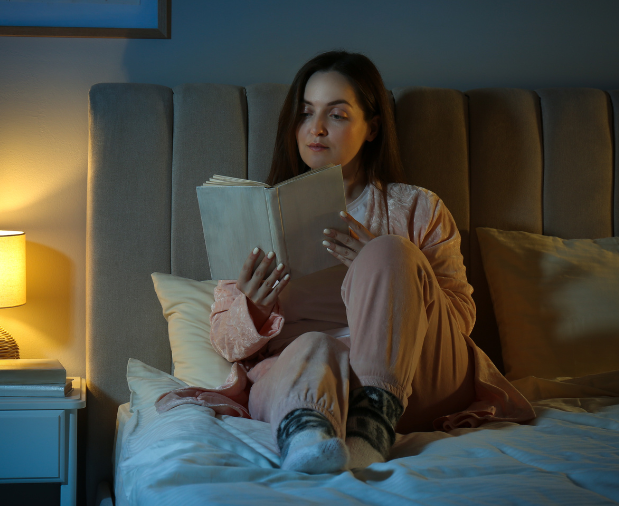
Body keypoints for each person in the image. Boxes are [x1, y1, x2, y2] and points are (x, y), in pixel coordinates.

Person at [158, 50, 534, 474]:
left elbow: (461, 321)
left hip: (415, 381)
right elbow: (227, 344)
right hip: (305, 376)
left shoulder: (417, 208)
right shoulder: (260, 214)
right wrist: (255, 306)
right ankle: (307, 434)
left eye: (336, 115)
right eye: (305, 113)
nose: (316, 129)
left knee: (390, 251)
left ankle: (373, 420)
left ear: (371, 128)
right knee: (313, 347)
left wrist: (392, 269)